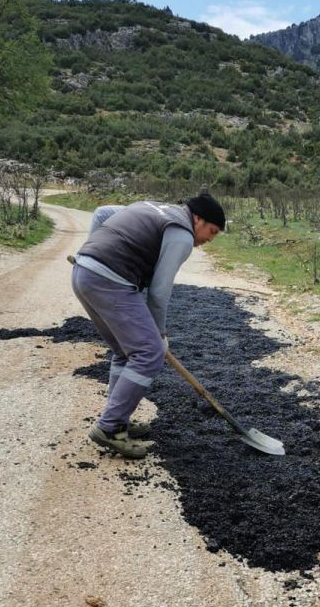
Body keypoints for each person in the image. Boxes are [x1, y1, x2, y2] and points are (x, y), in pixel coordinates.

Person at [71, 193, 226, 458]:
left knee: (125, 352)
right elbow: (159, 292)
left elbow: (101, 213)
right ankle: (109, 428)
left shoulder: (152, 207)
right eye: (211, 231)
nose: (209, 239)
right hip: (111, 280)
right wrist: (160, 333)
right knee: (149, 353)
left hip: (84, 273)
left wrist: (92, 252)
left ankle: (118, 418)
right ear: (197, 218)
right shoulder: (182, 234)